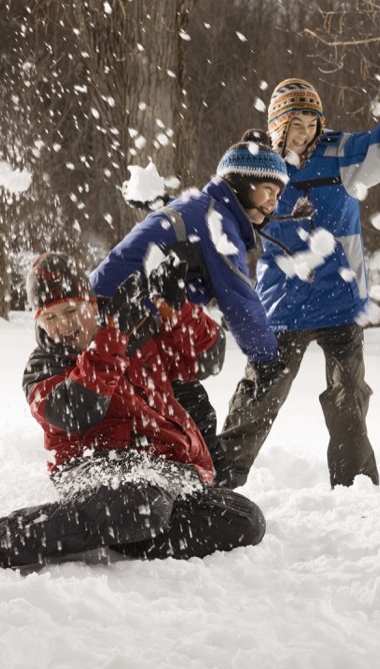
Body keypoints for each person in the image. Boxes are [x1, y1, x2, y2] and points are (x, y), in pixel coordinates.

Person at [0, 253, 265, 570]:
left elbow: (207, 359)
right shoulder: (42, 368)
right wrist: (110, 339)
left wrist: (176, 307)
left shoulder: (137, 331)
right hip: (94, 471)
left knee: (245, 520)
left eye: (71, 311)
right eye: (50, 318)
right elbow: (79, 411)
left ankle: (123, 533)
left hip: (163, 472)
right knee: (139, 504)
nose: (63, 325)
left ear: (90, 302)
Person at [216, 70, 380, 489]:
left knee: (348, 400)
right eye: (294, 125)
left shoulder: (339, 155)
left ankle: (355, 487)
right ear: (277, 127)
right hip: (283, 302)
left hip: (340, 299)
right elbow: (217, 207)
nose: (304, 134)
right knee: (260, 395)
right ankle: (218, 478)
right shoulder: (259, 164)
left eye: (311, 125)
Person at [90, 130, 291, 474]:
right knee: (190, 416)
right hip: (125, 322)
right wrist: (268, 357)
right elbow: (240, 301)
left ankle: (184, 483)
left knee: (181, 404)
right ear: (241, 184)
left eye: (278, 193)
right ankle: (206, 495)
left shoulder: (204, 208)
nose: (274, 201)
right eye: (268, 190)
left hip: (122, 320)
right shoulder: (218, 223)